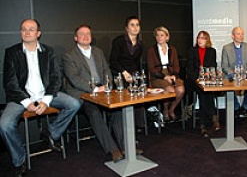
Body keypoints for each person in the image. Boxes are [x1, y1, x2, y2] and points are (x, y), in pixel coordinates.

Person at [0, 19, 81, 177]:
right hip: (21, 98)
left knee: (74, 103)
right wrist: (27, 103)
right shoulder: (11, 52)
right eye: (24, 29)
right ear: (20, 32)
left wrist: (46, 100)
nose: (27, 32)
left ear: (38, 33)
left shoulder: (48, 51)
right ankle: (19, 159)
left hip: (46, 94)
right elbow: (10, 83)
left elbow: (56, 78)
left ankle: (51, 132)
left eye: (31, 29)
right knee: (4, 124)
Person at [62, 24, 133, 164]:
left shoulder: (98, 52)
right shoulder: (68, 56)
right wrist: (95, 89)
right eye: (81, 34)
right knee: (94, 112)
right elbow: (74, 79)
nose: (85, 36)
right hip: (83, 93)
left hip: (103, 90)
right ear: (75, 38)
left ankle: (126, 147)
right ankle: (112, 149)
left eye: (88, 33)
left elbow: (107, 70)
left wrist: (108, 85)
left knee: (118, 109)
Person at [109, 16, 145, 130]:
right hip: (119, 73)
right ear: (127, 28)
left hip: (133, 73)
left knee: (140, 91)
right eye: (132, 25)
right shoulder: (119, 41)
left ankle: (136, 126)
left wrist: (135, 76)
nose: (135, 27)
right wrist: (124, 73)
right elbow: (113, 61)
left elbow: (135, 63)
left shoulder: (140, 44)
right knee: (126, 94)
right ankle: (123, 128)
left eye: (137, 25)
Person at [146, 26, 185, 122]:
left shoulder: (172, 49)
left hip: (171, 73)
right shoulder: (151, 50)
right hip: (157, 76)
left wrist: (174, 75)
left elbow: (176, 65)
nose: (159, 37)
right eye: (157, 35)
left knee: (180, 90)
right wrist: (164, 76)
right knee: (171, 90)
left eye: (162, 35)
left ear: (167, 37)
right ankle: (166, 110)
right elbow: (151, 69)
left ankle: (172, 110)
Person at [187, 30, 221, 137]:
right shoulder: (192, 50)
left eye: (203, 38)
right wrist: (197, 78)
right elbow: (189, 68)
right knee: (203, 93)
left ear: (207, 40)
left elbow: (213, 66)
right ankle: (213, 118)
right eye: (199, 37)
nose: (200, 40)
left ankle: (203, 124)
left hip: (207, 79)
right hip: (194, 81)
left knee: (207, 92)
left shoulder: (212, 51)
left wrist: (208, 73)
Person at [221, 26, 247, 117]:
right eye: (238, 34)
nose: (241, 36)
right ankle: (236, 107)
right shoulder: (226, 48)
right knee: (227, 87)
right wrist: (233, 75)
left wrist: (246, 74)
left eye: (242, 34)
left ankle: (245, 107)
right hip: (232, 75)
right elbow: (224, 66)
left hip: (246, 75)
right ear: (233, 36)